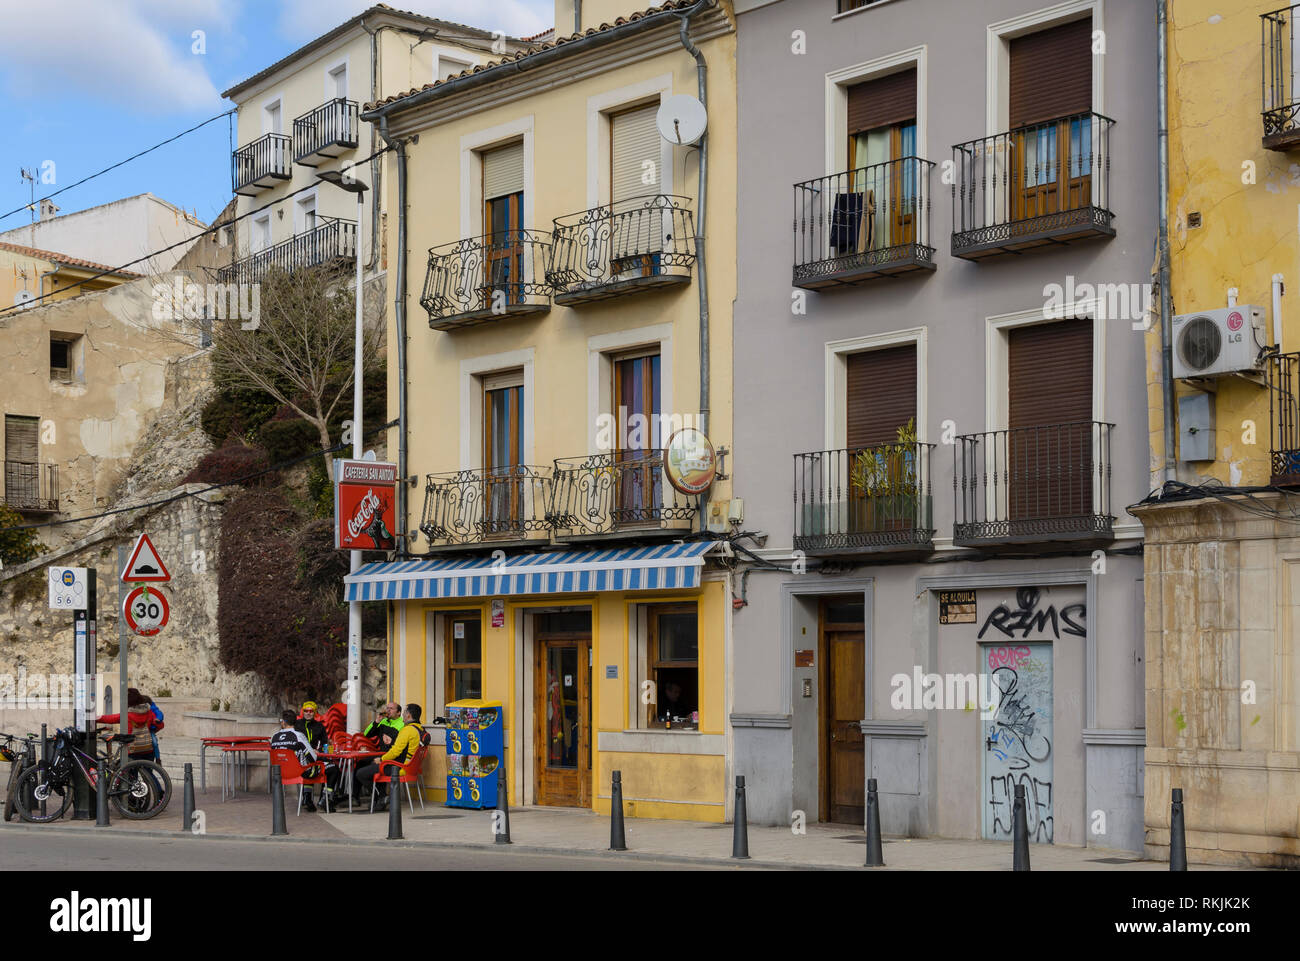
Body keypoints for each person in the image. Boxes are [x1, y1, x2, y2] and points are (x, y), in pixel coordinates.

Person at [355, 704, 428, 812]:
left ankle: (382, 796)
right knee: (373, 767)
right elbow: (367, 734)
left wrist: (381, 759)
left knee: (361, 773)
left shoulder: (407, 730)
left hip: (400, 767)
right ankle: (381, 798)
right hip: (410, 767)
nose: (403, 714)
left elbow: (395, 751)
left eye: (404, 712)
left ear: (408, 715)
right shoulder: (419, 729)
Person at [269, 710, 320, 811]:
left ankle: (306, 798)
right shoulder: (299, 736)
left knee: (307, 765)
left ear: (283, 722)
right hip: (298, 772)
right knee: (323, 767)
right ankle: (316, 799)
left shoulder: (274, 737)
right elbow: (312, 757)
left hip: (280, 772)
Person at [294, 701, 339, 811]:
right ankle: (311, 798)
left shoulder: (319, 726)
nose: (308, 713)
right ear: (302, 712)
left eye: (311, 711)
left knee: (333, 768)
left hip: (315, 760)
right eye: (306, 711)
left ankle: (321, 798)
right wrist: (308, 750)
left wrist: (320, 750)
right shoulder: (297, 725)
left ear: (315, 713)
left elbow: (325, 743)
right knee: (331, 770)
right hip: (302, 762)